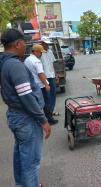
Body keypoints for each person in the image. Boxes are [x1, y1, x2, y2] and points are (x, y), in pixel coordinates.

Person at [0, 28, 51, 186]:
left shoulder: (4, 62)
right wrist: (43, 120)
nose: (25, 46)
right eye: (24, 43)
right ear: (17, 44)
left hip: (16, 115)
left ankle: (23, 184)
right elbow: (27, 97)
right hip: (26, 118)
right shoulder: (15, 65)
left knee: (21, 155)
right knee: (31, 161)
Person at [24, 44, 58, 125]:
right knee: (46, 103)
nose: (41, 54)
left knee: (36, 103)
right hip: (40, 86)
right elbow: (40, 74)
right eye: (40, 52)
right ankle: (49, 120)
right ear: (35, 52)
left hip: (32, 85)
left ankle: (37, 120)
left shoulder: (27, 60)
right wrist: (46, 84)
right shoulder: (36, 61)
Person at [41, 39, 59, 116]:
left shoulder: (50, 51)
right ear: (42, 43)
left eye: (48, 44)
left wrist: (56, 75)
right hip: (45, 77)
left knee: (53, 94)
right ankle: (47, 113)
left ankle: (50, 112)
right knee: (46, 96)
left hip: (51, 75)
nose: (47, 46)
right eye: (46, 44)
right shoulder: (40, 53)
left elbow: (52, 64)